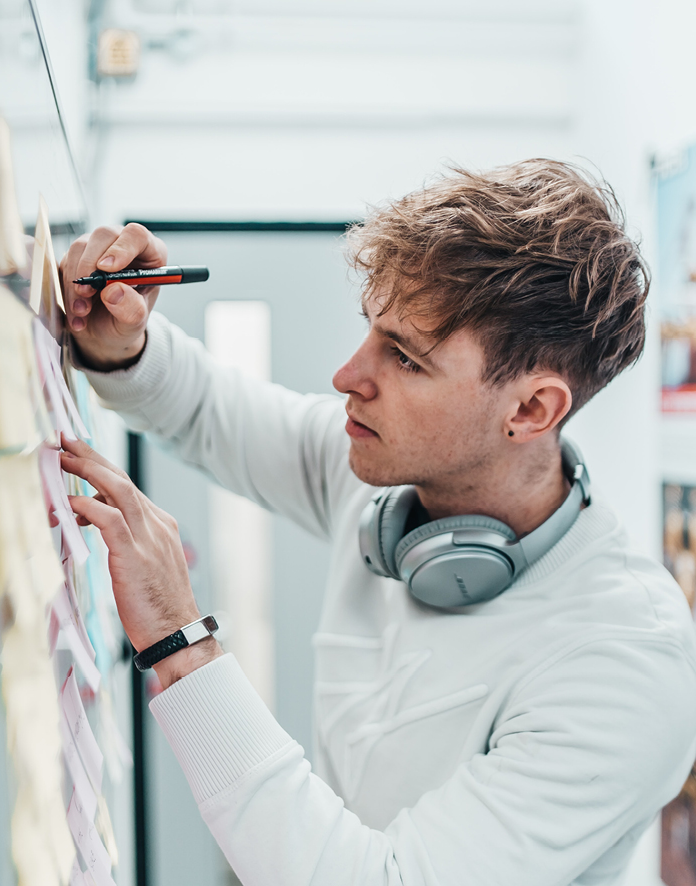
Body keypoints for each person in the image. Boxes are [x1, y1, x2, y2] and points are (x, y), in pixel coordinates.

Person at [58, 159, 696, 885]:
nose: (347, 376)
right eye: (371, 330)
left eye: (405, 357)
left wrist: (180, 640)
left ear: (530, 410)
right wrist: (117, 339)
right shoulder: (381, 478)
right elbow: (207, 411)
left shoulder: (623, 663)